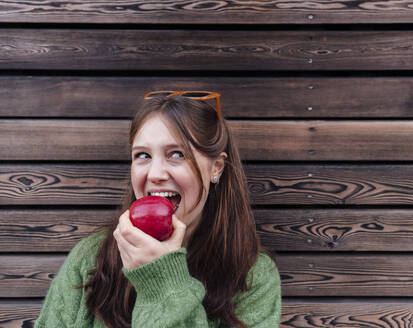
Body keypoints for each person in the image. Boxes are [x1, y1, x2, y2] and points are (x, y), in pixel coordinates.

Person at [35, 91, 282, 327]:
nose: (155, 174)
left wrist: (163, 281)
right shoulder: (90, 258)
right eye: (142, 155)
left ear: (216, 167)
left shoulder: (253, 277)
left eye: (176, 154)